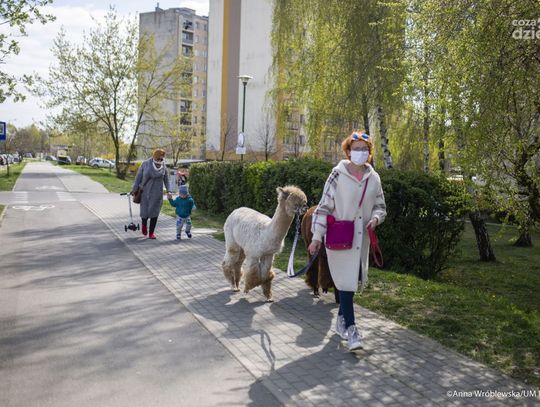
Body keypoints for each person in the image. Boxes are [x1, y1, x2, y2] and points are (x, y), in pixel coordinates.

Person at [308, 131, 386, 351]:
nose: (360, 152)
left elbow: (380, 206)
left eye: (364, 149)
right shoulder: (337, 174)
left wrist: (376, 218)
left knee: (351, 282)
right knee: (344, 282)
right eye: (356, 149)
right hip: (340, 239)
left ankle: (341, 320)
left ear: (369, 152)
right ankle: (352, 330)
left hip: (362, 240)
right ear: (348, 151)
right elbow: (323, 207)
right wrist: (316, 237)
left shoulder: (374, 178)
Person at [131, 148, 171, 239]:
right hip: (145, 192)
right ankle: (144, 225)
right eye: (159, 158)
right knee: (144, 212)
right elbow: (138, 177)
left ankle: (151, 233)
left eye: (162, 159)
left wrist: (169, 191)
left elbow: (166, 180)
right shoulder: (145, 164)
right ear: (154, 156)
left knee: (155, 213)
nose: (160, 160)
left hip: (157, 194)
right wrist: (134, 190)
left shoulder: (163, 166)